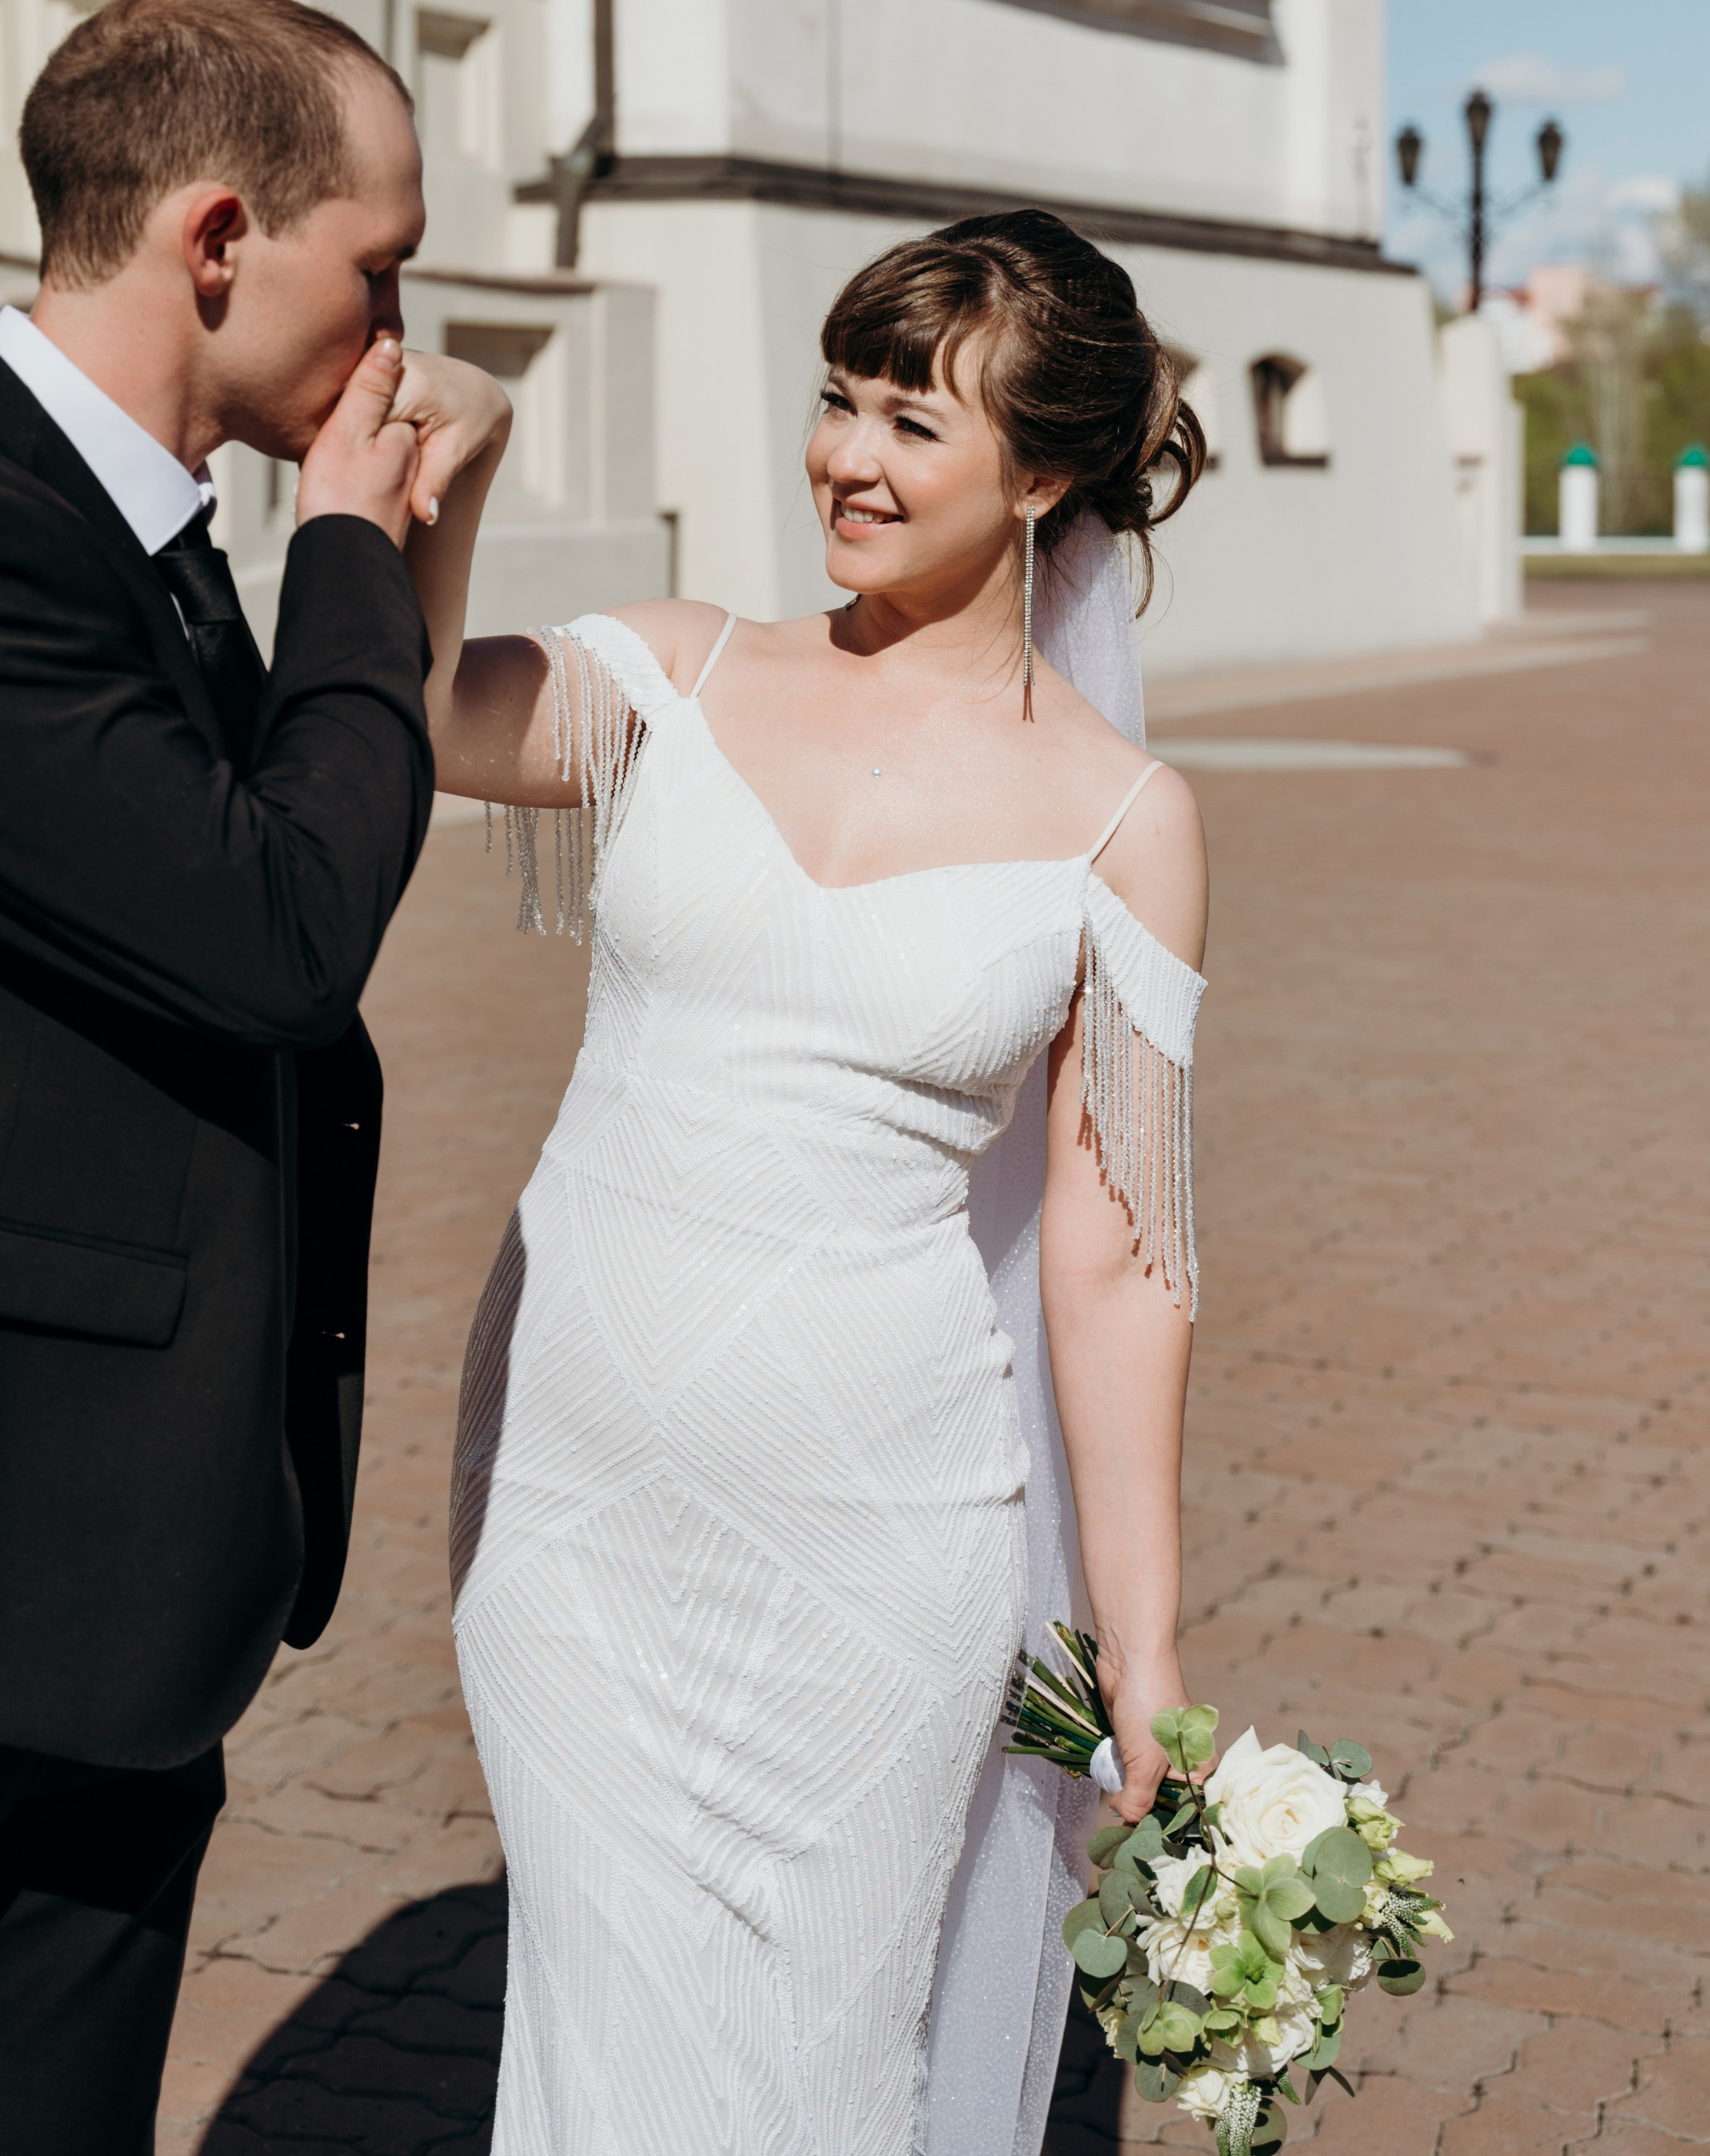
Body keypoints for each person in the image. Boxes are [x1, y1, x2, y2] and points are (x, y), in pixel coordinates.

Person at [410, 208, 1211, 2156]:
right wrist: (459, 482)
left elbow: (1114, 1260)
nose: (846, 457)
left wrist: (1143, 1636)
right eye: (835, 399)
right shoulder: (674, 674)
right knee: (597, 2046)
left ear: (1039, 473)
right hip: (575, 1499)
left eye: (908, 424)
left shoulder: (1124, 816)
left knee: (822, 2068)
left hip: (878, 1528)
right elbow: (418, 718)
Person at [0, 0, 502, 2154]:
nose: (396, 333)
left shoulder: (140, 526)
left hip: (108, 1577)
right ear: (220, 238)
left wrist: (385, 556)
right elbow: (276, 928)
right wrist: (344, 541)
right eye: (377, 267)